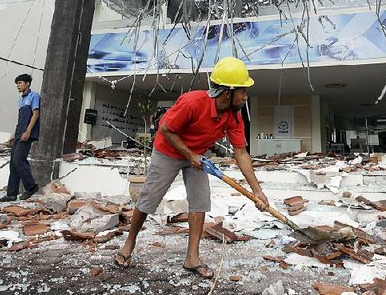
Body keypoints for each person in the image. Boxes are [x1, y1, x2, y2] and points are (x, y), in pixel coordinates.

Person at [115, 57, 270, 278]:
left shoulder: (234, 116)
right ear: (228, 92)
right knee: (150, 199)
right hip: (168, 151)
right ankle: (129, 243)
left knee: (200, 201)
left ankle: (192, 258)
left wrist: (257, 190)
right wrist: (189, 155)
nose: (246, 96)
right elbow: (166, 128)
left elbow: (241, 153)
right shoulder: (192, 103)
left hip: (198, 157)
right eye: (243, 91)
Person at [0, 73, 40, 202]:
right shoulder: (21, 100)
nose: (18, 85)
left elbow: (35, 114)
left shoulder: (34, 96)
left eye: (20, 82)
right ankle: (11, 194)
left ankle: (31, 187)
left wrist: (28, 131)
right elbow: (20, 119)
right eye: (17, 83)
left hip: (27, 133)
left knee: (19, 160)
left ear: (27, 84)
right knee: (13, 163)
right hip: (19, 133)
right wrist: (14, 135)